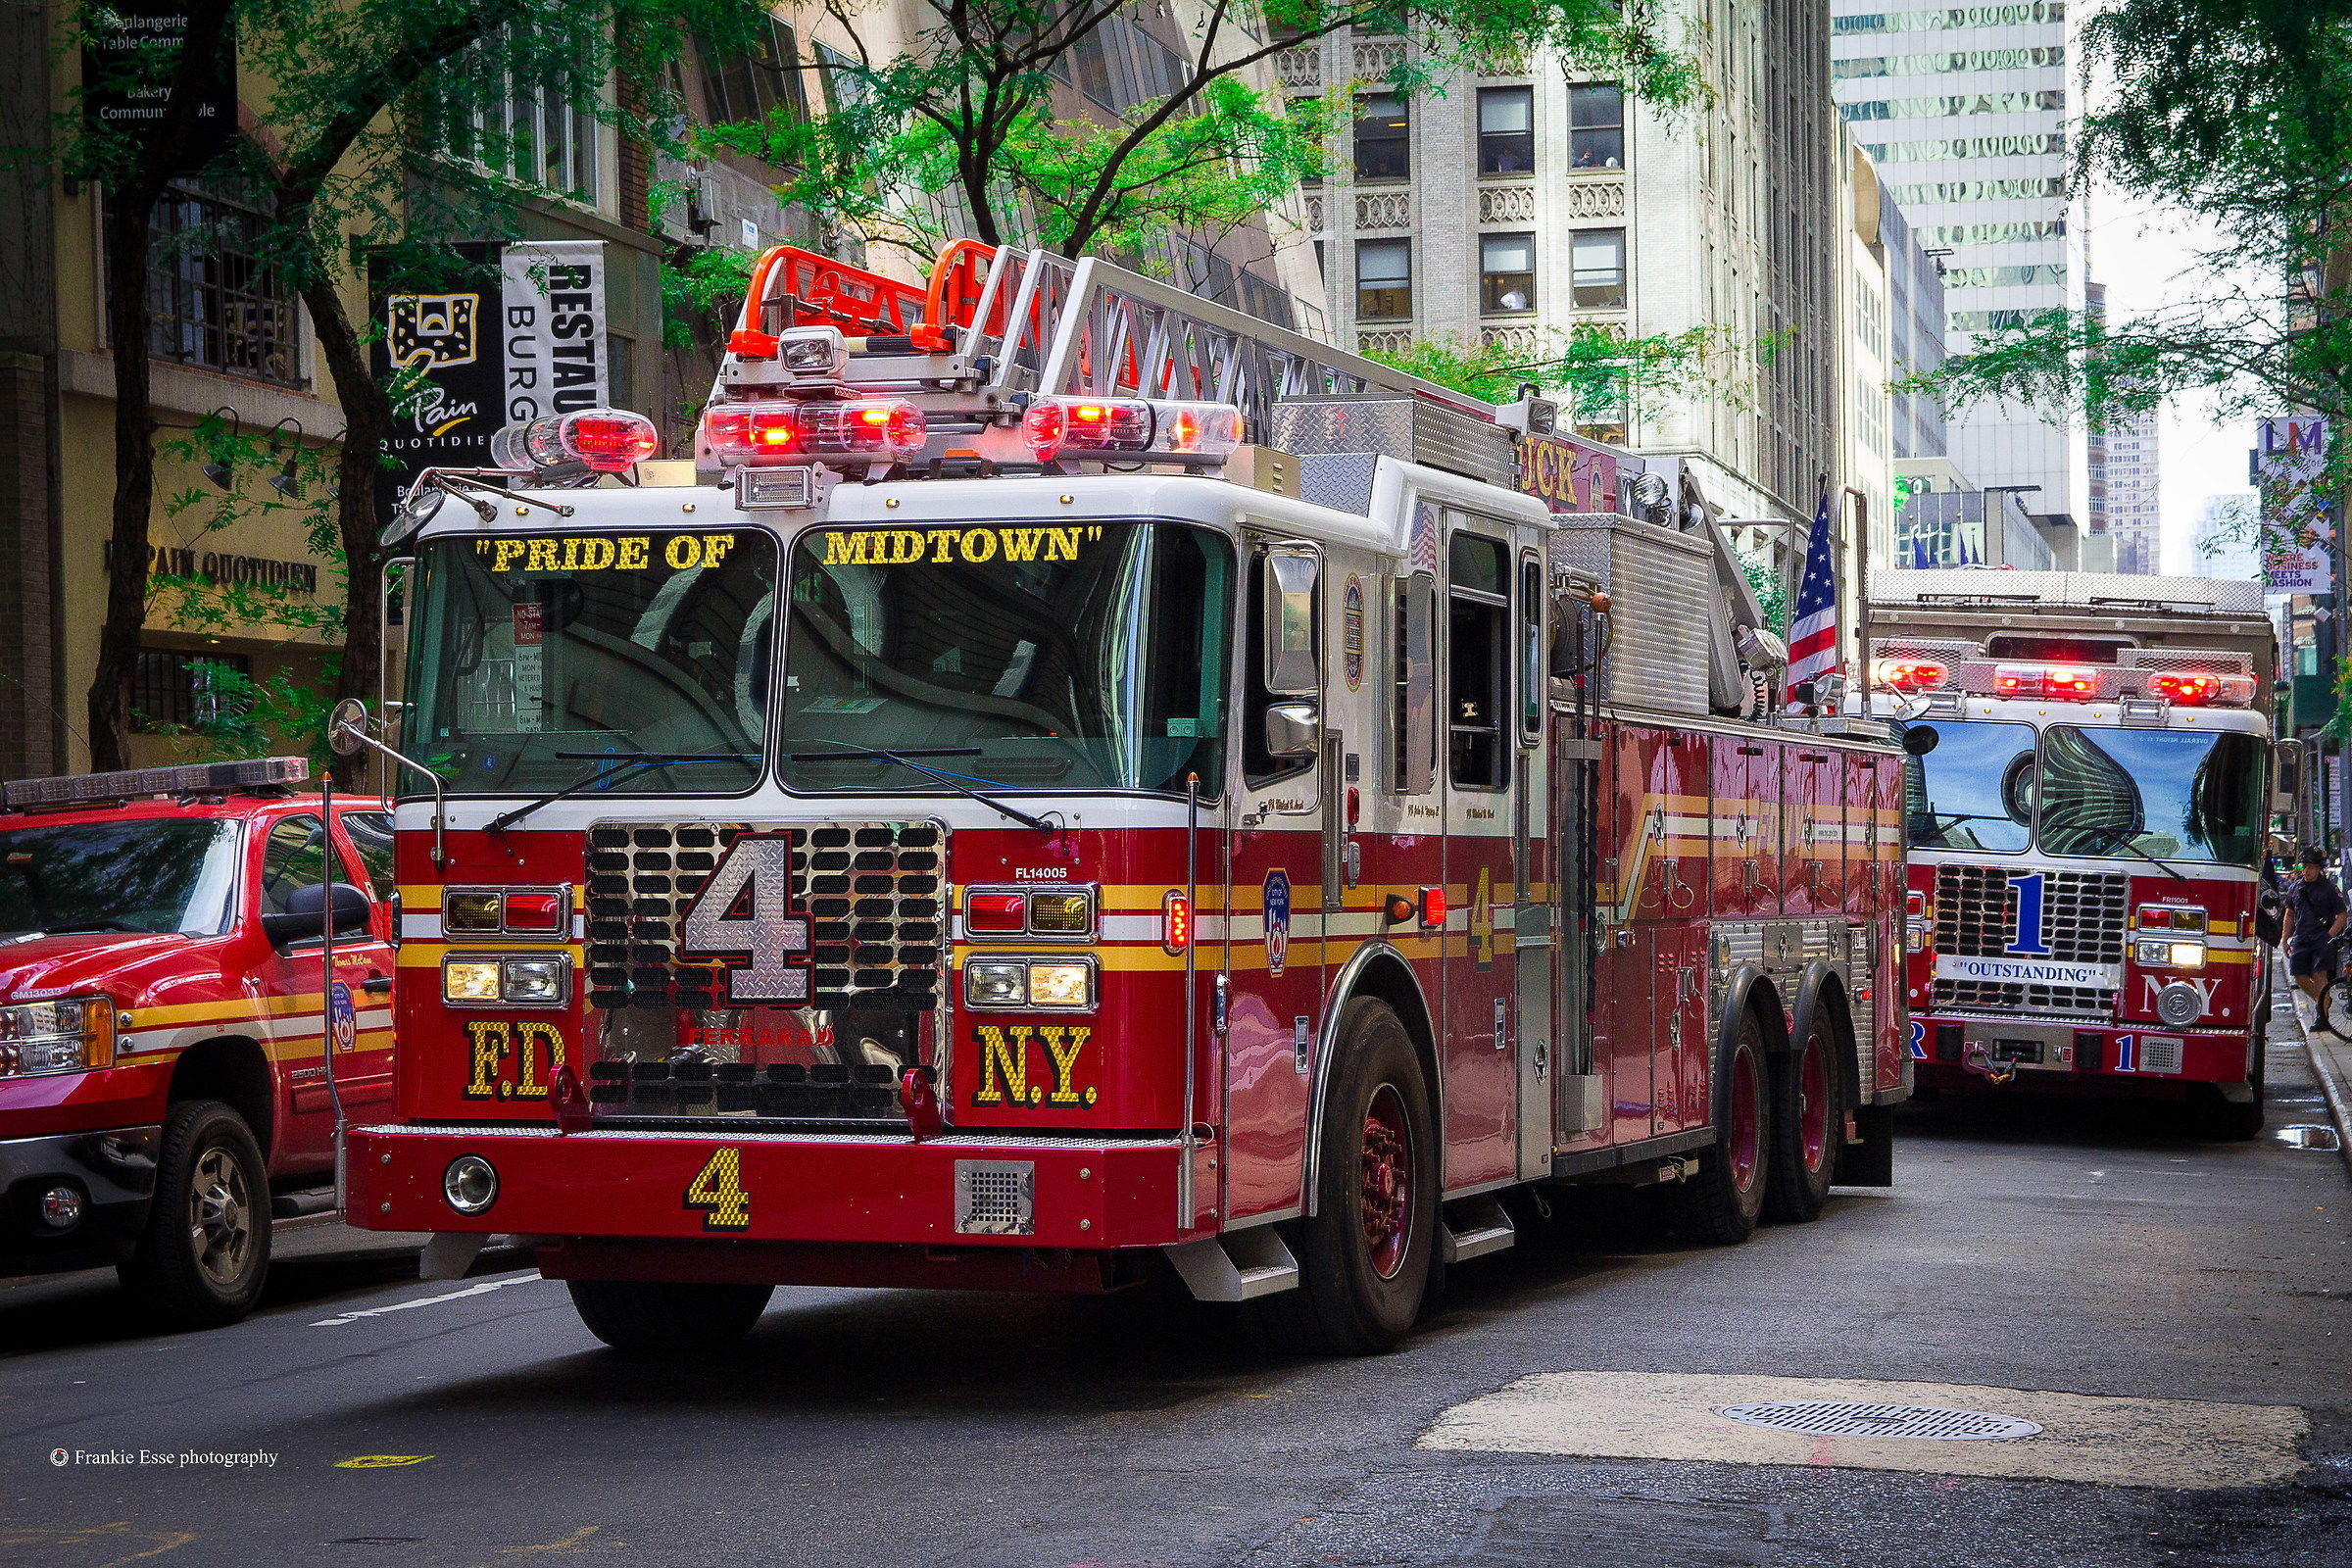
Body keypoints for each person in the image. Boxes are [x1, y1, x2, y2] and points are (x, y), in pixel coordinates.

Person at [2280, 846, 2348, 1035]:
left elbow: (2341, 915)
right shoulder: (2296, 887)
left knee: (2319, 974)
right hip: (2301, 938)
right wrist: (2285, 939)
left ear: (2319, 868)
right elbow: (2289, 914)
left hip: (2321, 938)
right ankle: (2323, 1001)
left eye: (2310, 867)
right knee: (2299, 974)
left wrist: (2329, 936)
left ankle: (2322, 1015)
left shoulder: (2329, 889)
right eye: (2305, 867)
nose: (2306, 871)